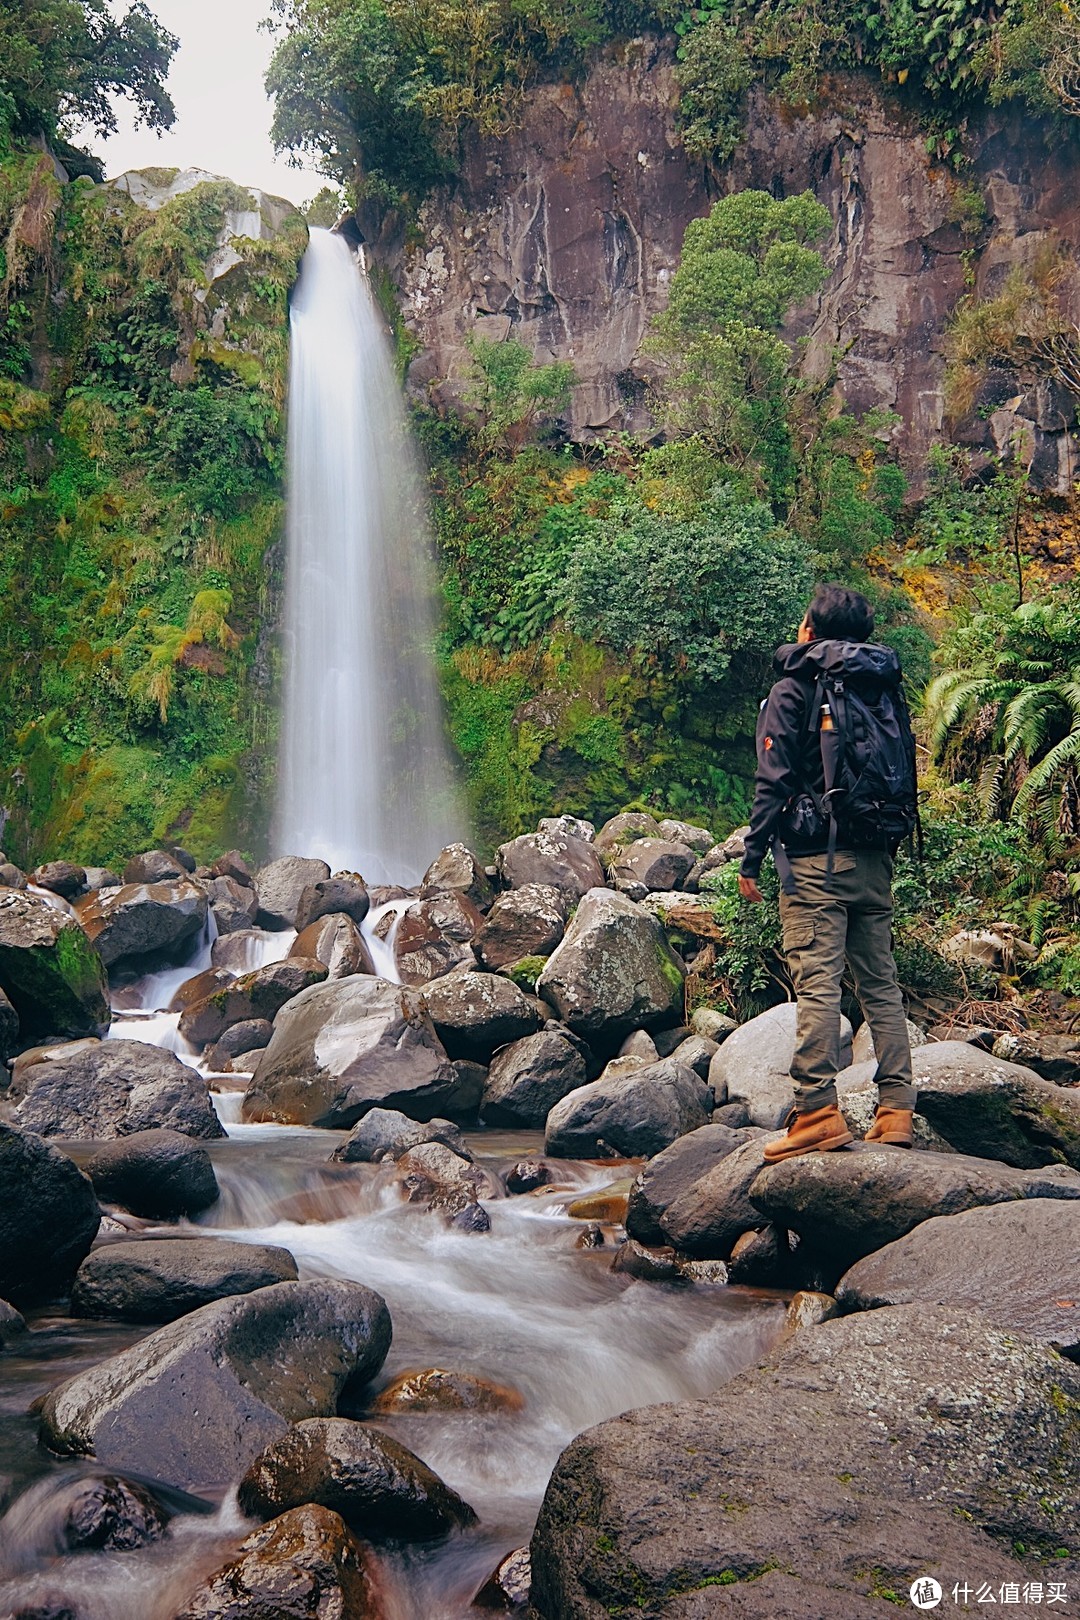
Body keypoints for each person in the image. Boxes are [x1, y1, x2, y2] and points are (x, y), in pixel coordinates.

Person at [737, 584, 917, 1161]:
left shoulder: (795, 687)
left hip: (817, 862)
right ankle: (895, 1112)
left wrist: (753, 857)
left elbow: (774, 780)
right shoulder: (882, 686)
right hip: (875, 857)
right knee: (880, 985)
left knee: (817, 983)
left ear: (810, 632)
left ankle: (815, 1112)